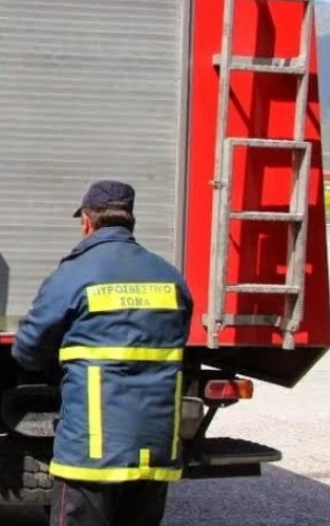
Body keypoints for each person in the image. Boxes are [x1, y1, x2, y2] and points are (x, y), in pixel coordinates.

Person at [11, 180, 193, 526]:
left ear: (87, 222)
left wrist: (54, 365)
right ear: (130, 221)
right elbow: (177, 338)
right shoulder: (170, 277)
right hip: (154, 450)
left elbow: (28, 349)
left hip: (91, 452)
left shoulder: (74, 274)